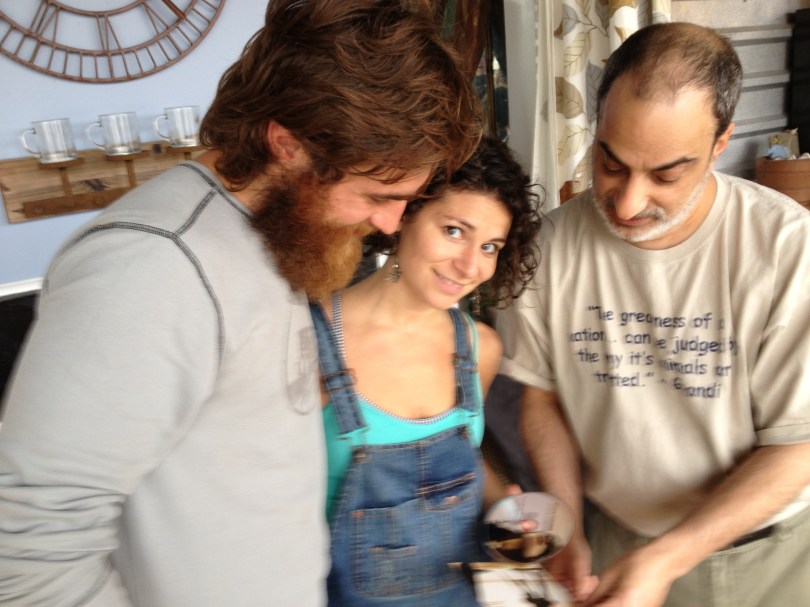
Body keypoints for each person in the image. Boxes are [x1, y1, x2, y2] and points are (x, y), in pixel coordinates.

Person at [0, 2, 481, 606]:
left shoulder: (279, 233)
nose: (390, 224)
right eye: (376, 196)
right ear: (286, 144)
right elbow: (28, 553)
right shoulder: (153, 265)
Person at [496, 22, 810, 607]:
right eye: (611, 163)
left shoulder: (787, 247)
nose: (628, 202)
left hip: (766, 553)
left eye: (665, 174)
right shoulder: (547, 248)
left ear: (721, 143)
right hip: (616, 537)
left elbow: (799, 443)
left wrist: (668, 558)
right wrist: (567, 524)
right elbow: (541, 398)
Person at [310, 136, 543, 606]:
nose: (470, 265)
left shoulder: (479, 347)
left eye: (490, 246)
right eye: (454, 231)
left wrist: (503, 505)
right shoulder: (311, 340)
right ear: (404, 214)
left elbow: (463, 460)